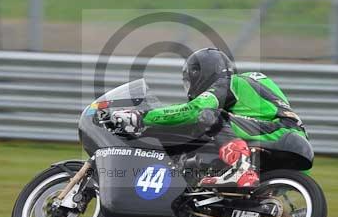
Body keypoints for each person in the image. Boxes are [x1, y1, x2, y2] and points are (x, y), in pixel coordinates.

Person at [109, 47, 313, 188]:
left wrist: (144, 117)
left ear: (201, 74)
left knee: (209, 116)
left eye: (190, 80)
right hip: (289, 138)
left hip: (277, 131)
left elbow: (195, 109)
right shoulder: (249, 85)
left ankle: (239, 168)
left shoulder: (228, 82)